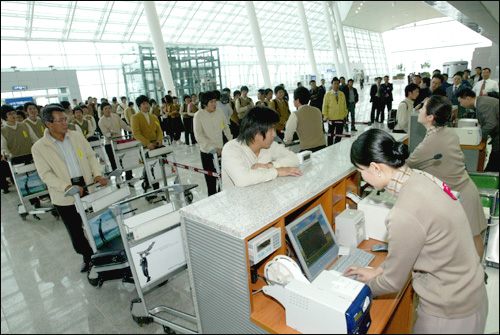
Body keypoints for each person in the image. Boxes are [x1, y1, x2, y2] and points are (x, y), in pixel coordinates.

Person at [345, 128, 487, 334]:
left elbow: (393, 283)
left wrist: (353, 289)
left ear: (375, 167)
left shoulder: (404, 213)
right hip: (470, 293)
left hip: (450, 312)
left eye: (360, 172)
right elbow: (411, 248)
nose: (363, 179)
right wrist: (377, 270)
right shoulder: (422, 177)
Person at [406, 95, 487, 258]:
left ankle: (476, 276)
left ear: (430, 117)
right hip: (465, 189)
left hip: (462, 196)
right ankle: (476, 273)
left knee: (471, 239)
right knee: (473, 236)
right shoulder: (448, 132)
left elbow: (407, 164)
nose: (419, 110)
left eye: (423, 108)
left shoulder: (429, 144)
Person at [32, 104, 108, 273]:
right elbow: (45, 174)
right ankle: (87, 257)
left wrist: (97, 174)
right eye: (60, 120)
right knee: (75, 230)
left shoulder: (76, 136)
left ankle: (103, 252)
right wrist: (65, 186)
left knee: (95, 221)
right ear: (48, 124)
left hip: (86, 186)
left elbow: (90, 156)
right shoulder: (39, 147)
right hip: (64, 194)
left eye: (65, 119)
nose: (65, 123)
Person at [222, 106, 302, 190]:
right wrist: (277, 171)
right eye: (271, 130)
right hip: (238, 201)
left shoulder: (270, 145)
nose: (274, 134)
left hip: (263, 196)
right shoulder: (231, 149)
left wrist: (270, 165)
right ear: (256, 132)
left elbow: (294, 159)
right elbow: (242, 179)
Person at [193, 91, 233, 196]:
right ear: (205, 103)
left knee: (224, 179)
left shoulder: (219, 112)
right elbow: (199, 135)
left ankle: (222, 198)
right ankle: (212, 202)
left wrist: (231, 141)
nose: (214, 104)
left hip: (221, 151)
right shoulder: (198, 116)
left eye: (215, 101)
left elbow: (225, 127)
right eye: (211, 102)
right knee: (211, 181)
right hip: (207, 152)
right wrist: (211, 148)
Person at [1, 104, 40, 195]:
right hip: (16, 161)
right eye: (9, 114)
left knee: (36, 179)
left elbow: (34, 139)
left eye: (13, 113)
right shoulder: (3, 131)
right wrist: (6, 154)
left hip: (31, 156)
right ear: (4, 116)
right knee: (23, 183)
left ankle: (40, 196)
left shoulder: (24, 125)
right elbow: (3, 147)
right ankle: (33, 200)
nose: (13, 115)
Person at [457, 88, 499, 172]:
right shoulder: (481, 102)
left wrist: (477, 137)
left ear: (468, 98)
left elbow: (491, 124)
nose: (461, 105)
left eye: (461, 102)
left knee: (494, 164)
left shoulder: (482, 104)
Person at [131, 95, 164, 191]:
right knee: (149, 166)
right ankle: (151, 187)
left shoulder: (154, 117)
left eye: (147, 103)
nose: (146, 106)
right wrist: (147, 143)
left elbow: (159, 130)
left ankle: (153, 186)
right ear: (139, 106)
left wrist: (159, 139)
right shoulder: (135, 117)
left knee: (155, 166)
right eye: (143, 104)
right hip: (145, 147)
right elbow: (136, 133)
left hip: (156, 145)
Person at [98, 102, 133, 180]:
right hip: (109, 144)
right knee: (113, 162)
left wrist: (132, 130)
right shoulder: (101, 121)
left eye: (109, 108)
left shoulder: (115, 116)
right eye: (105, 109)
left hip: (120, 141)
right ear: (102, 110)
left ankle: (129, 177)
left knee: (126, 160)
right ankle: (118, 179)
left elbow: (124, 125)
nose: (108, 110)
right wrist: (110, 134)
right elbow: (105, 133)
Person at [284, 87, 326, 152]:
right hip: (322, 147)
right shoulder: (317, 111)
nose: (293, 101)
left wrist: (287, 141)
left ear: (297, 100)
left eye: (293, 99)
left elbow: (288, 135)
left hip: (307, 150)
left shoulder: (295, 115)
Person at [323, 77, 348, 145]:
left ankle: (336, 146)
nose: (336, 85)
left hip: (340, 118)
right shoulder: (327, 95)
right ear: (332, 84)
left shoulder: (342, 94)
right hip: (331, 118)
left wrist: (345, 114)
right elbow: (325, 106)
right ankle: (330, 147)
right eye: (335, 84)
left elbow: (344, 105)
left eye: (337, 83)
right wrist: (326, 116)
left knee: (339, 135)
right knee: (330, 134)